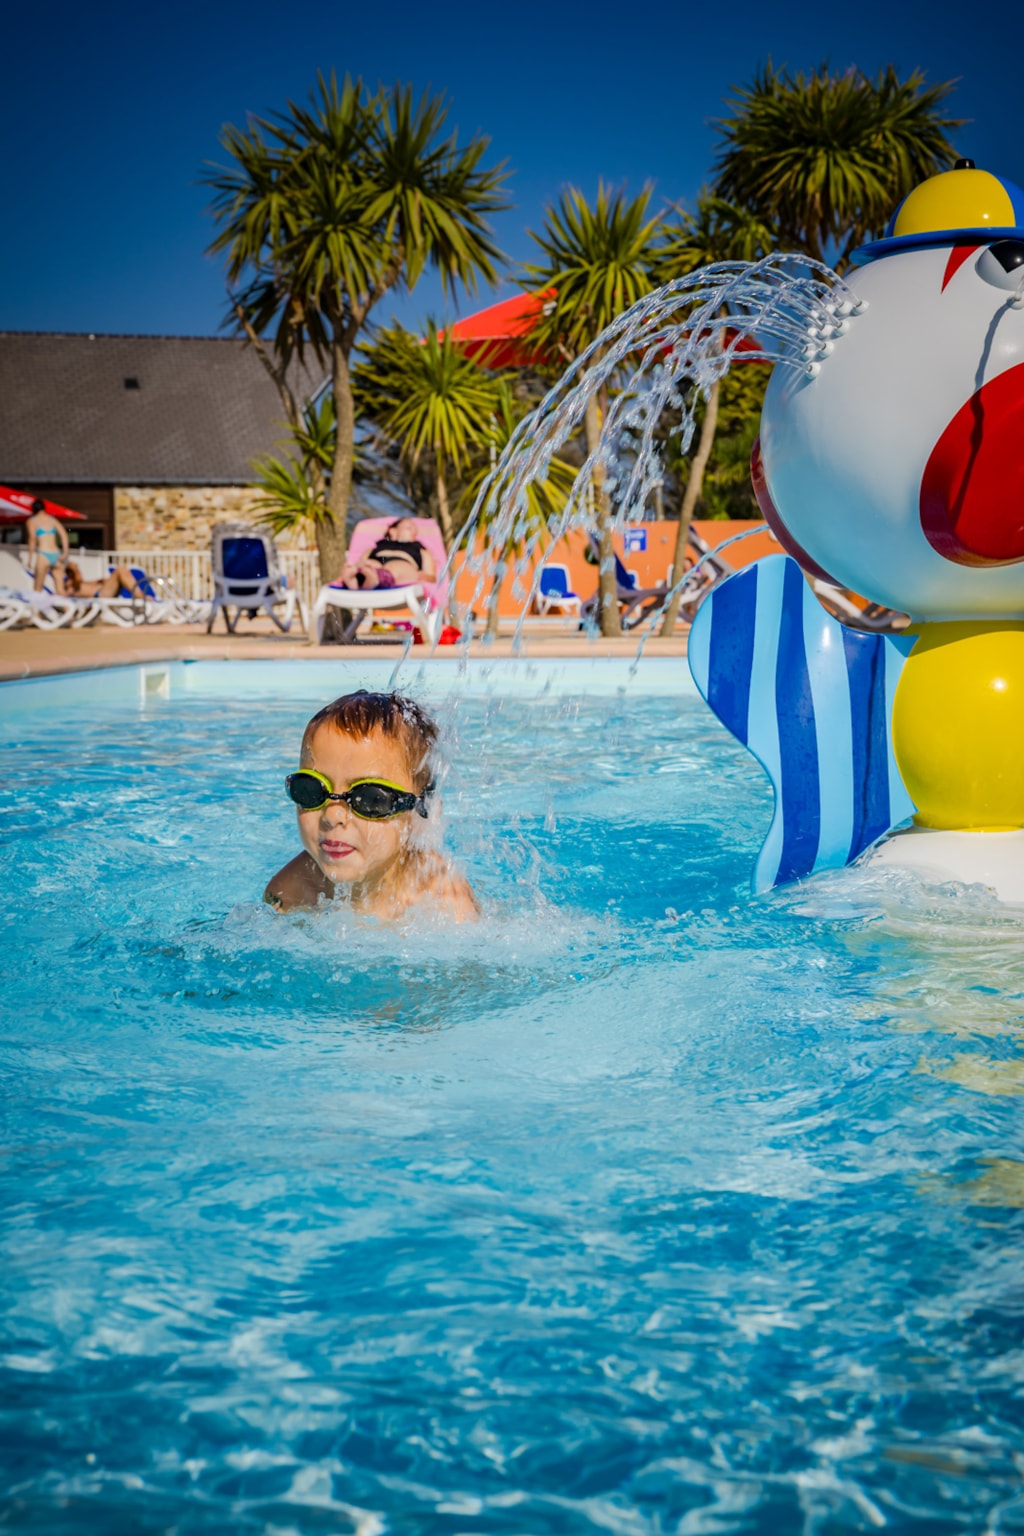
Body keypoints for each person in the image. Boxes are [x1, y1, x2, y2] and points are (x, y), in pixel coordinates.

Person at [265, 689, 477, 922]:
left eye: (370, 799)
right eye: (312, 791)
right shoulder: (289, 894)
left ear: (422, 816)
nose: (332, 815)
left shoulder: (444, 904)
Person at [338, 517, 436, 592]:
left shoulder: (421, 549)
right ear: (393, 531)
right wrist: (359, 566)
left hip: (404, 564)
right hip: (377, 560)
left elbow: (431, 576)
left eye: (415, 529)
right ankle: (357, 580)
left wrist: (424, 576)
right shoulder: (377, 546)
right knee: (369, 564)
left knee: (394, 568)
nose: (414, 530)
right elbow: (362, 561)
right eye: (408, 528)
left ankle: (374, 580)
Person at [25, 499, 69, 592]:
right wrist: (65, 553)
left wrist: (30, 559)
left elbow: (32, 539)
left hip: (43, 554)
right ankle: (64, 602)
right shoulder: (52, 520)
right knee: (60, 590)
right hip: (56, 554)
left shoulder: (31, 521)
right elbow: (64, 535)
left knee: (37, 588)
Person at [62, 560, 149, 601]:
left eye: (77, 568)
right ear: (70, 573)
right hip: (99, 596)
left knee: (122, 570)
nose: (78, 571)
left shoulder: (82, 582)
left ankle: (140, 595)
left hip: (103, 592)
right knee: (120, 570)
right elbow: (68, 592)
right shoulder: (70, 583)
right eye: (75, 570)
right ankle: (140, 596)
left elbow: (95, 582)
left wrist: (102, 581)